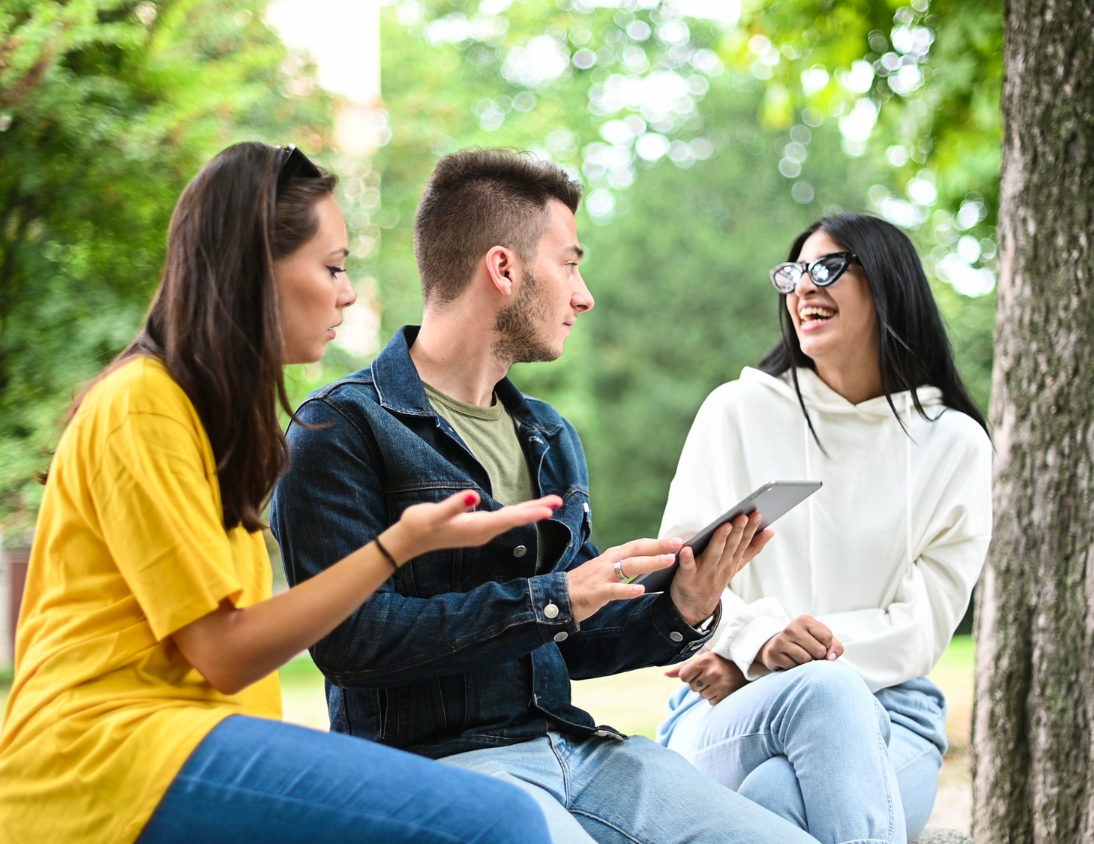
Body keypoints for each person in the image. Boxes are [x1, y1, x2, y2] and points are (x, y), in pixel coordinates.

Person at [0, 142, 560, 844]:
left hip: (186, 746)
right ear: (254, 271)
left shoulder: (207, 417)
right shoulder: (142, 405)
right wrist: (398, 545)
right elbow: (224, 653)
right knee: (502, 823)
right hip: (105, 759)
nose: (346, 292)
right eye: (333, 267)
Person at [270, 149, 820, 844]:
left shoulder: (547, 435)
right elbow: (352, 642)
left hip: (580, 754)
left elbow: (573, 640)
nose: (584, 295)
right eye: (570, 264)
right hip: (440, 771)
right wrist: (554, 596)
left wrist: (684, 605)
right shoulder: (340, 428)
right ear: (504, 269)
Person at [654, 213, 993, 844]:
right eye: (793, 273)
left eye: (828, 268)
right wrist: (757, 646)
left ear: (889, 283)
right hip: (725, 706)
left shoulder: (954, 444)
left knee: (776, 794)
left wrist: (786, 660)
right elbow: (683, 574)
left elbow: (922, 626)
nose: (804, 287)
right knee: (817, 706)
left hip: (892, 713)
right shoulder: (737, 412)